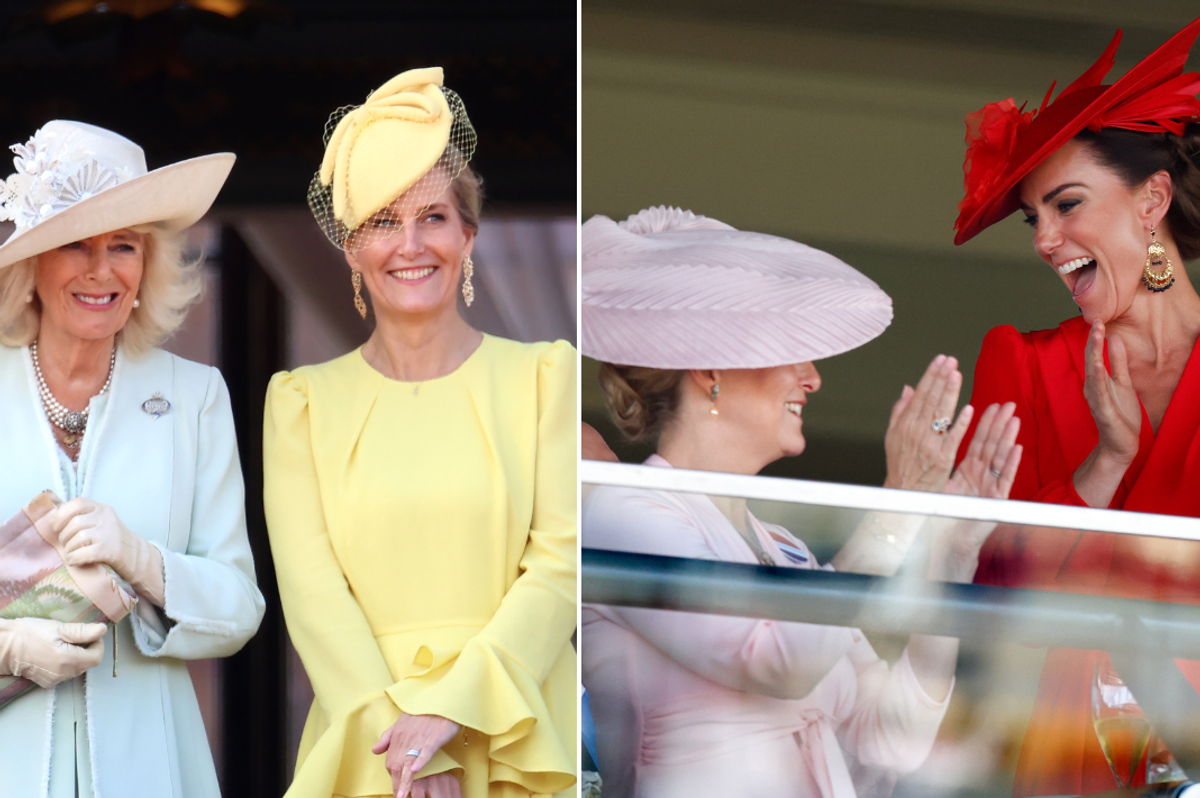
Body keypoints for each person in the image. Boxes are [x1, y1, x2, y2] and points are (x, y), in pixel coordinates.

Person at [580, 206, 1022, 798]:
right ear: (711, 368)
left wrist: (949, 555)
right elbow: (778, 663)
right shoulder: (623, 512)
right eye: (790, 349)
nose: (812, 378)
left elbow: (896, 738)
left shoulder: (786, 551)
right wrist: (896, 506)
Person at [263, 68, 577, 798]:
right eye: (381, 220)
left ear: (468, 234)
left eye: (433, 217)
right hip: (371, 749)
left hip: (516, 728)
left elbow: (561, 562)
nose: (410, 244)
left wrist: (452, 709)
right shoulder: (301, 403)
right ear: (350, 248)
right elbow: (313, 597)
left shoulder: (544, 378)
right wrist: (409, 750)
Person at [951, 16, 1200, 796]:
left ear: (1151, 199)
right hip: (1057, 748)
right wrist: (1109, 460)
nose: (1045, 239)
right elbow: (985, 597)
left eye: (1066, 205)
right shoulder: (1019, 362)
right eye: (1035, 219)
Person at [0, 120, 265, 797]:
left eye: (123, 245)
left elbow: (239, 608)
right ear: (33, 264)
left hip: (153, 766)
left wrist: (141, 559)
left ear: (147, 265)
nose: (101, 269)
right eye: (75, 245)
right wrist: (8, 648)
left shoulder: (194, 395)